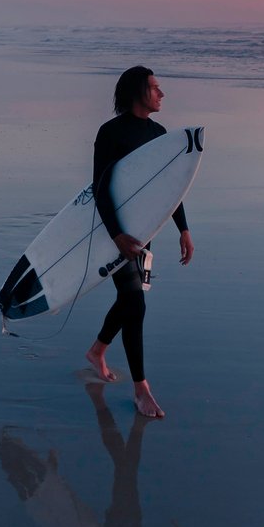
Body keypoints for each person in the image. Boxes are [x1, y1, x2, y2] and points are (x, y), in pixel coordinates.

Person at [84, 66, 194, 420]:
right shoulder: (110, 133)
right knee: (134, 302)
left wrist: (184, 229)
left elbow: (169, 192)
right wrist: (115, 234)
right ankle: (141, 389)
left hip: (144, 231)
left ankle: (98, 350)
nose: (162, 94)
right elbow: (99, 189)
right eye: (155, 88)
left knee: (129, 300)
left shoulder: (160, 134)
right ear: (137, 93)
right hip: (111, 229)